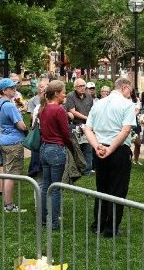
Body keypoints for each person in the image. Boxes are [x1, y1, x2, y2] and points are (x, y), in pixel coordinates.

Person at [82, 77, 136, 238]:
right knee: (118, 190)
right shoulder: (127, 105)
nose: (130, 93)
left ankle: (98, 224)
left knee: (102, 188)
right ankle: (111, 228)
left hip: (100, 149)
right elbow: (126, 130)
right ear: (125, 87)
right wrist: (110, 148)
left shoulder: (98, 103)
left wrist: (97, 146)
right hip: (117, 150)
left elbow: (87, 128)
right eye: (130, 89)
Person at [38, 80, 74, 230]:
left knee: (46, 185)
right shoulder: (59, 110)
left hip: (44, 149)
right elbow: (66, 133)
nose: (65, 94)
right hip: (56, 150)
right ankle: (54, 222)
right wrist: (70, 145)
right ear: (57, 93)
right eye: (64, 92)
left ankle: (43, 218)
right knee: (56, 187)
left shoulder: (43, 108)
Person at [0, 78, 28, 213]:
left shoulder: (1, 103)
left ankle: (7, 203)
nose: (14, 90)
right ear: (4, 91)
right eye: (11, 88)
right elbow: (20, 124)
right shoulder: (9, 105)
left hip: (4, 141)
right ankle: (8, 205)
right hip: (13, 143)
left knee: (8, 173)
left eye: (15, 87)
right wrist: (25, 129)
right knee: (11, 175)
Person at [65, 78, 95, 174]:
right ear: (75, 87)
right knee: (77, 148)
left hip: (87, 125)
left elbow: (92, 110)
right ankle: (76, 169)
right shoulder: (70, 96)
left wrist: (90, 120)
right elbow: (72, 111)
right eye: (79, 86)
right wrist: (87, 118)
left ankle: (87, 170)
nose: (82, 88)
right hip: (75, 125)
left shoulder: (89, 97)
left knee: (88, 148)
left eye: (83, 86)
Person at [26, 79, 48, 178]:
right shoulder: (33, 100)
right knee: (35, 149)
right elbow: (31, 116)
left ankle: (40, 169)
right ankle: (34, 169)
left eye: (46, 86)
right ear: (38, 88)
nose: (44, 88)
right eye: (42, 86)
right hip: (37, 127)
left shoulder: (50, 99)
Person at [130, 90, 143, 166]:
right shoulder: (122, 99)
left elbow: (137, 111)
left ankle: (136, 160)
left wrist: (129, 116)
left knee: (138, 143)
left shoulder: (136, 100)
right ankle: (128, 159)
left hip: (134, 122)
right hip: (124, 123)